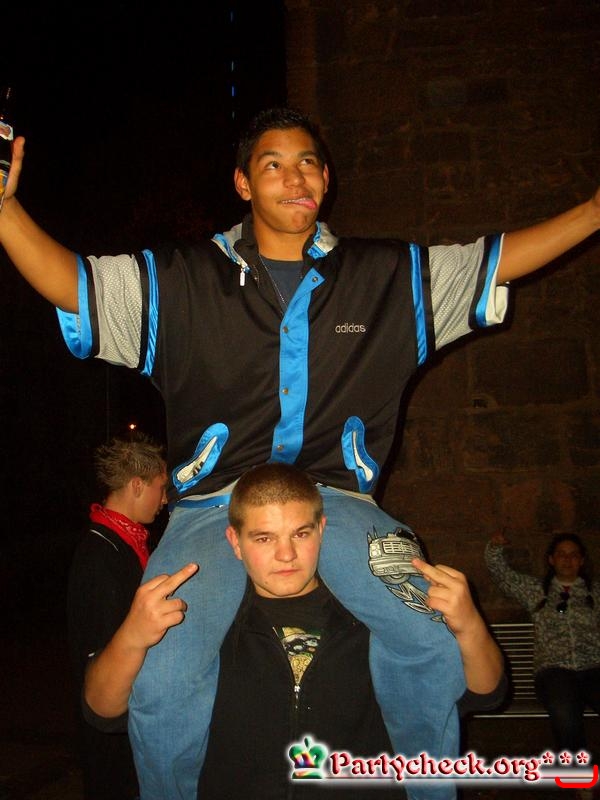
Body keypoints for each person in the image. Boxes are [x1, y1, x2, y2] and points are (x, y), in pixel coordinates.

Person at [1, 106, 599, 800]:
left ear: (326, 176)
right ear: (243, 183)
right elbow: (75, 284)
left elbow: (493, 261)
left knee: (428, 639)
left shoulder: (383, 276)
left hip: (337, 505)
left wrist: (592, 211)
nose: (295, 178)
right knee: (163, 677)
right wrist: (5, 211)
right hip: (212, 510)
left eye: (308, 162)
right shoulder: (181, 279)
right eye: (273, 165)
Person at [83, 463, 506, 799]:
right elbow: (103, 712)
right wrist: (132, 637)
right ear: (234, 542)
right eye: (264, 538)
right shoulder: (207, 621)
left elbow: (483, 694)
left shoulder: (371, 615)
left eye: (300, 534)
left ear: (322, 530)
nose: (286, 554)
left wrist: (469, 625)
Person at [66, 432, 171, 800]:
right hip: (111, 733)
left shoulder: (128, 541)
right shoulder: (101, 553)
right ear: (137, 485)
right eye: (161, 487)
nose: (165, 499)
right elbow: (100, 653)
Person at [485, 531, 600, 761]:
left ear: (581, 560)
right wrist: (494, 548)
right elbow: (503, 576)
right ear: (551, 560)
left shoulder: (595, 592)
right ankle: (576, 771)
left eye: (573, 555)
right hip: (554, 670)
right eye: (561, 554)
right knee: (564, 712)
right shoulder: (536, 590)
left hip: (594, 667)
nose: (567, 559)